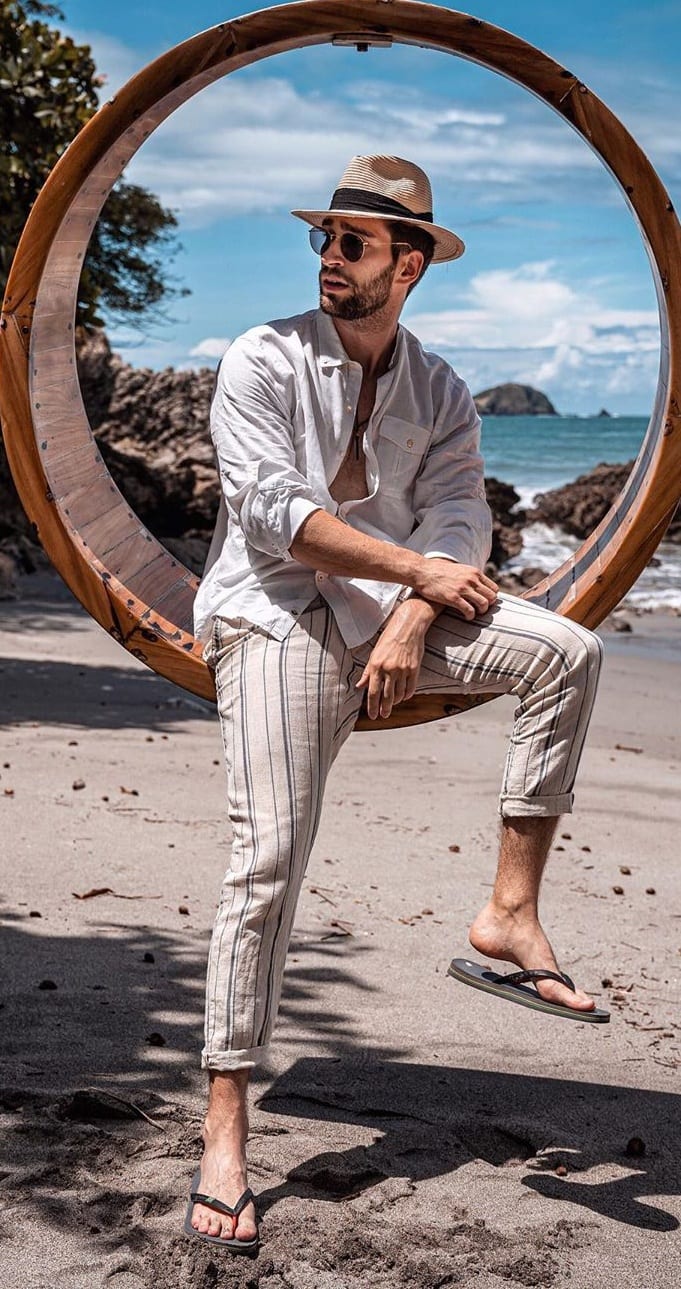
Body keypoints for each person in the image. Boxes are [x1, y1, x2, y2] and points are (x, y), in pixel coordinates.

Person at [185, 156, 604, 1250]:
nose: (330, 256)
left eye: (355, 243)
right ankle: (225, 1122)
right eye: (323, 237)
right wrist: (417, 574)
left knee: (567, 649)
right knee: (268, 855)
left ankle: (508, 913)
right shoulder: (262, 357)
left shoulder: (444, 389)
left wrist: (417, 611)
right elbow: (278, 516)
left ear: (408, 264)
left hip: (389, 622)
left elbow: (462, 518)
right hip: (274, 613)